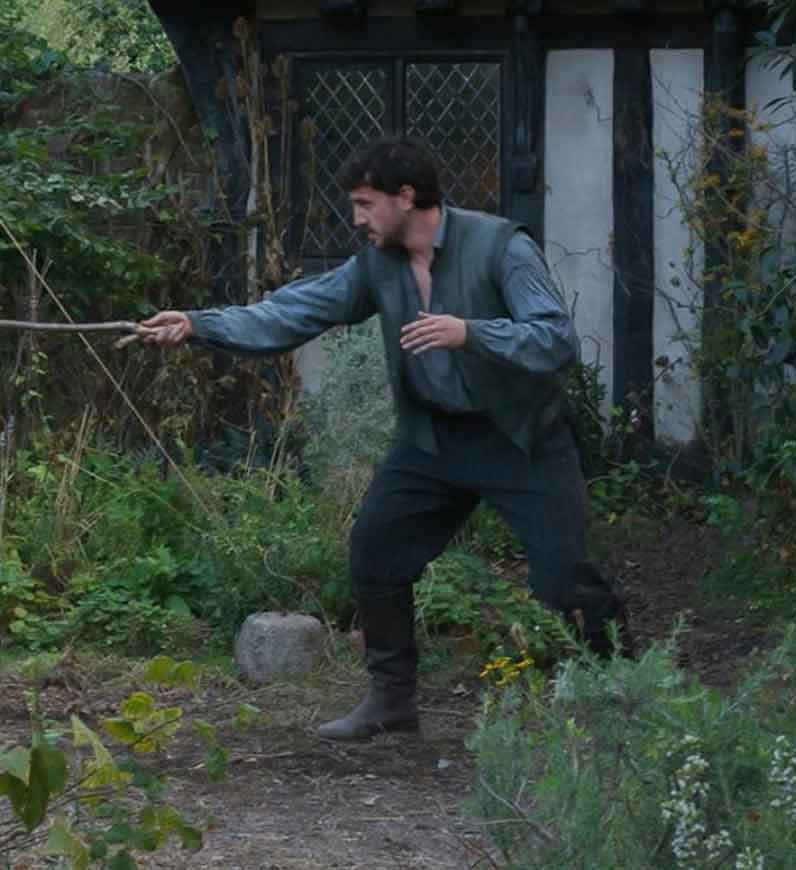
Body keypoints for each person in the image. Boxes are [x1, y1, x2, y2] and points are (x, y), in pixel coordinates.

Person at [139, 137, 630, 741]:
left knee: (564, 579)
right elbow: (294, 310)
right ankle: (391, 701)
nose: (357, 219)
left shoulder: (501, 246)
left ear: (407, 197)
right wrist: (198, 324)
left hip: (520, 438)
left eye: (365, 204)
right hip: (434, 440)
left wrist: (471, 332)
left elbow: (555, 338)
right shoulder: (377, 264)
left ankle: (622, 694)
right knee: (376, 551)